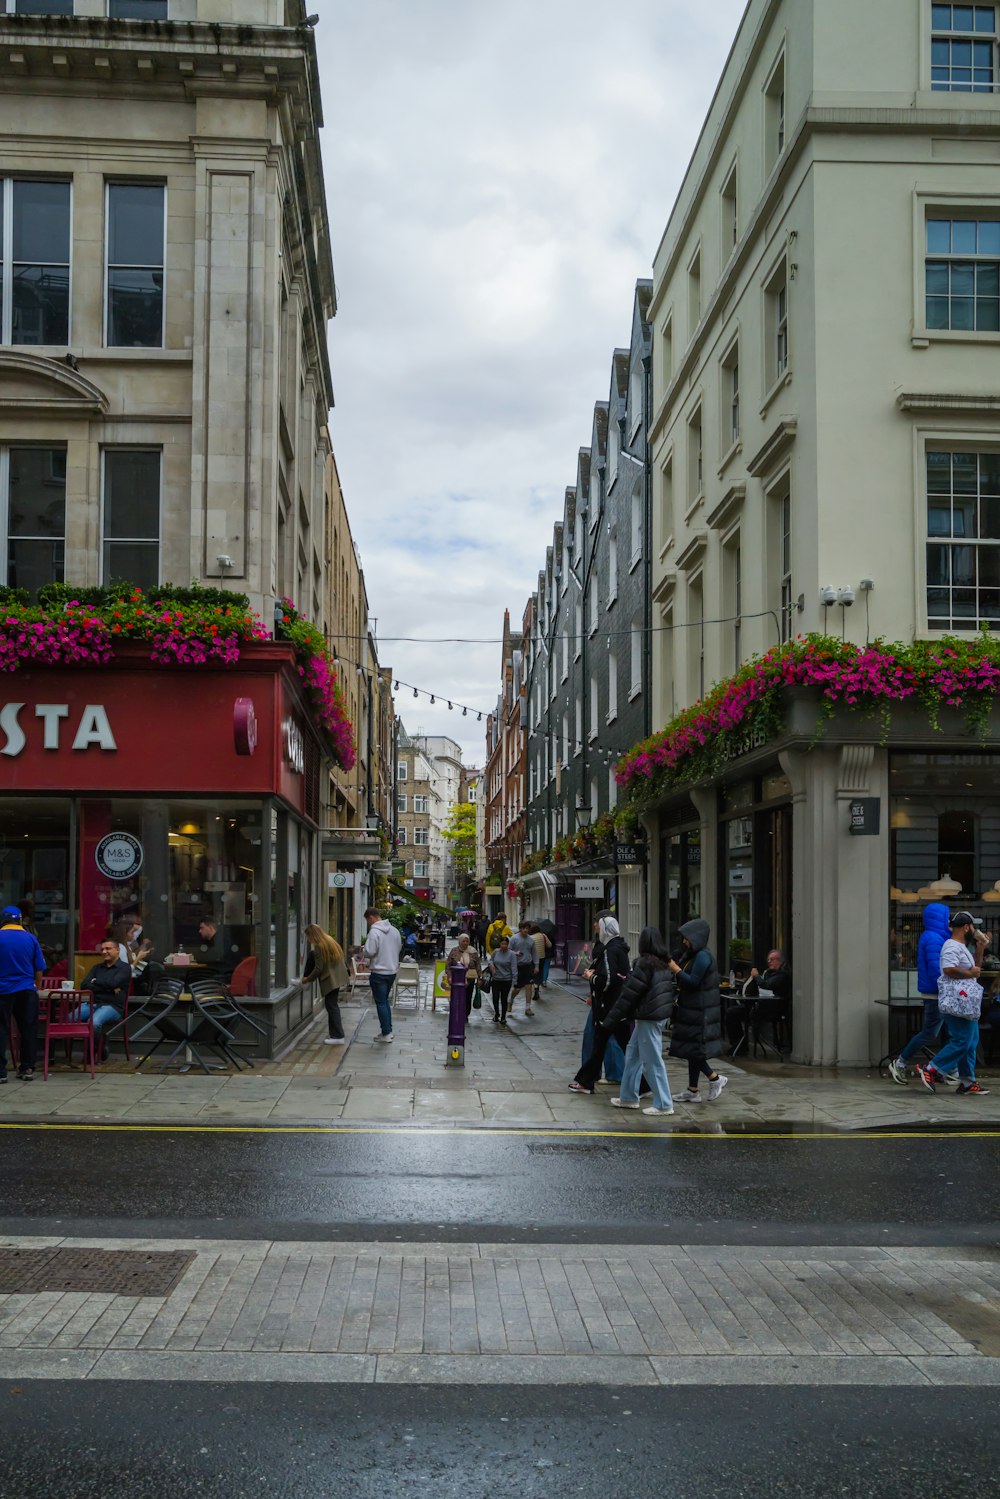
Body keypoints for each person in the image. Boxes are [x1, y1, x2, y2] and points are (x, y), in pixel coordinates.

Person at [600, 926, 675, 1115]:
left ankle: (664, 1104)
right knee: (633, 1055)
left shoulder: (644, 964)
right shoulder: (664, 963)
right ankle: (628, 1097)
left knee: (652, 1061)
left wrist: (610, 1020)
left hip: (648, 1017)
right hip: (657, 1016)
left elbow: (629, 995)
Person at [917, 911, 990, 1095]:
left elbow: (975, 970)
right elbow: (949, 969)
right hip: (957, 1001)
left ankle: (967, 1081)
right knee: (962, 1040)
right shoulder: (951, 946)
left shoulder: (960, 946)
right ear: (966, 927)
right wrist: (970, 974)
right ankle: (932, 1069)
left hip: (965, 1002)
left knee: (970, 1041)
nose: (974, 930)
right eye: (973, 926)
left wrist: (980, 950)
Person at [887, 902, 950, 1084]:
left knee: (945, 1032)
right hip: (935, 993)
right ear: (940, 918)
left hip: (936, 991)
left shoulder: (934, 936)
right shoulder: (934, 938)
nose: (949, 920)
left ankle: (942, 1068)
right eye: (946, 917)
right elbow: (935, 968)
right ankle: (900, 1062)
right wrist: (946, 986)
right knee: (930, 1033)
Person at [569, 914, 632, 1093]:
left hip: (608, 1007)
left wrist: (591, 976)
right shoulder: (619, 948)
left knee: (611, 1045)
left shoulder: (610, 950)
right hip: (615, 1005)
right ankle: (587, 1082)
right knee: (603, 1045)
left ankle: (642, 1083)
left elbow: (607, 981)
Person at [669, 918, 727, 1103]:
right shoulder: (694, 955)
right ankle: (693, 1090)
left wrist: (676, 970)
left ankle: (715, 1078)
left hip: (699, 1011)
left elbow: (693, 981)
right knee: (691, 1051)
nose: (684, 942)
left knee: (693, 1050)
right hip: (691, 1010)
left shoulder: (703, 956)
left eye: (686, 938)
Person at [0, 906, 45, 1082]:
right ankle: (26, 1068)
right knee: (28, 1029)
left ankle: (1, 1072)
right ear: (19, 920)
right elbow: (39, 969)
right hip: (26, 990)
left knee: (1, 1030)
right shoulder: (30, 938)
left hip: (2, 990)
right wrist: (36, 986)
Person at [724, 948, 792, 1053]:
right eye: (768, 959)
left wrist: (756, 976)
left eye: (773, 959)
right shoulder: (770, 973)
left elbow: (766, 985)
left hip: (771, 1009)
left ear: (780, 961)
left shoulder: (782, 975)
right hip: (760, 1005)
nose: (769, 962)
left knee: (733, 1013)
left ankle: (741, 1045)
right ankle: (738, 1043)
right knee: (732, 1011)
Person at [80, 939, 133, 1058]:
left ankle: (92, 1054)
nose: (104, 952)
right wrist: (109, 987)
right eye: (102, 949)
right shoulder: (97, 968)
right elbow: (84, 985)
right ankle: (101, 1042)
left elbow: (113, 983)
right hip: (92, 1003)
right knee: (69, 1019)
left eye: (108, 949)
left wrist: (95, 982)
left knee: (93, 1022)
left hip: (113, 1006)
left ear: (117, 950)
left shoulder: (125, 968)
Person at [300, 925, 350, 1045]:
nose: (307, 939)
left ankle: (338, 1036)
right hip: (337, 977)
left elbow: (318, 969)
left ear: (312, 935)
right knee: (332, 1005)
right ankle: (335, 1035)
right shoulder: (329, 940)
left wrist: (307, 979)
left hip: (331, 980)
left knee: (331, 1006)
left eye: (308, 936)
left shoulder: (319, 947)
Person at [363, 905, 402, 1043]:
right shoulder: (394, 931)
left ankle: (386, 1033)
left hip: (379, 972)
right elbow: (399, 947)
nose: (369, 924)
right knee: (384, 1002)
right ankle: (387, 1031)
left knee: (381, 1003)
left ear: (371, 917)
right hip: (391, 971)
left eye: (368, 921)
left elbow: (370, 951)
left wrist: (363, 952)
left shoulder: (374, 932)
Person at [445, 933, 483, 1019]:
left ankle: (465, 1014)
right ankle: (457, 1012)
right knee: (457, 996)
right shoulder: (454, 951)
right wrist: (449, 976)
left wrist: (479, 977)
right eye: (463, 941)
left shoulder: (473, 951)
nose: (465, 943)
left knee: (467, 997)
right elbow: (448, 965)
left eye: (467, 941)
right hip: (457, 978)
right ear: (460, 941)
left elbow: (478, 965)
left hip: (470, 978)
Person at [508, 921, 537, 1017]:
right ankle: (511, 1000)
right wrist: (515, 953)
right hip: (517, 966)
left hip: (528, 965)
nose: (526, 930)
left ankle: (528, 1008)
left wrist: (536, 965)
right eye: (524, 928)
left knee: (529, 986)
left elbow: (534, 953)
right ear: (520, 928)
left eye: (527, 928)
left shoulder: (531, 940)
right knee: (517, 988)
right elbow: (508, 950)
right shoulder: (514, 939)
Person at [488, 936, 518, 1026]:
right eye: (502, 944)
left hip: (506, 980)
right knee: (495, 997)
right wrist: (491, 965)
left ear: (508, 945)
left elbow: (514, 967)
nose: (504, 946)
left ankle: (503, 1017)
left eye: (505, 944)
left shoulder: (512, 954)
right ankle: (497, 1013)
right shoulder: (496, 952)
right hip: (496, 979)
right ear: (499, 944)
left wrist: (514, 981)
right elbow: (490, 960)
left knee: (504, 999)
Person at [530, 923, 552, 1002]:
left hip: (533, 958)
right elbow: (549, 945)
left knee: (534, 974)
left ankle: (536, 989)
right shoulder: (543, 936)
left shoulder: (530, 937)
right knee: (539, 974)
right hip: (542, 957)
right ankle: (537, 988)